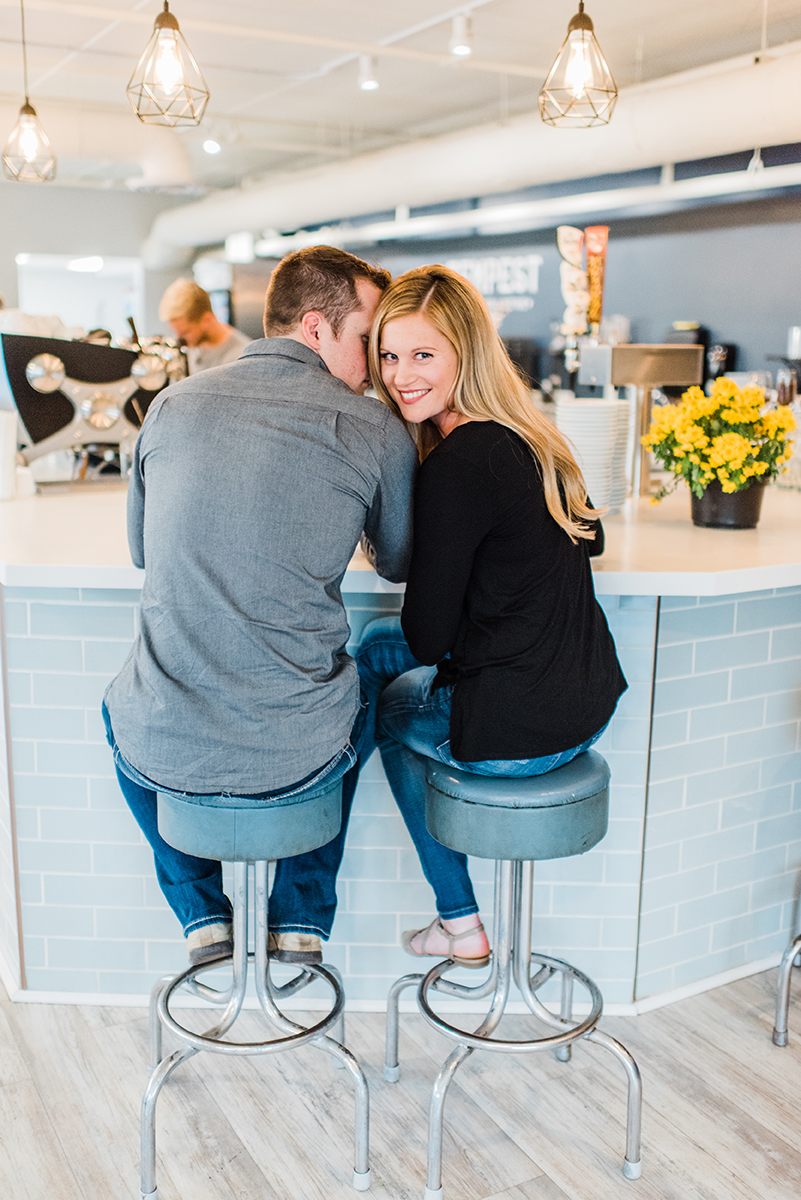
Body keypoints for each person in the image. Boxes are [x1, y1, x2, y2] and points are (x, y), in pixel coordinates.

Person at [103, 246, 418, 967]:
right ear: (316, 327)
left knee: (118, 711)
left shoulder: (171, 404)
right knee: (371, 672)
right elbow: (399, 563)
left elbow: (143, 552)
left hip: (164, 753)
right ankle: (300, 917)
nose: (378, 360)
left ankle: (200, 913)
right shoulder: (374, 428)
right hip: (299, 762)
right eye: (368, 338)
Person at [353, 265, 627, 966]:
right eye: (388, 355)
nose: (399, 376)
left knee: (376, 687)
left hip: (518, 731)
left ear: (464, 353)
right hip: (586, 706)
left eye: (422, 355)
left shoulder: (456, 465)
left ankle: (457, 921)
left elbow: (425, 637)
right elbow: (588, 533)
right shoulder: (530, 436)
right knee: (375, 654)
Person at [159, 278, 251, 372]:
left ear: (207, 319)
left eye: (185, 332)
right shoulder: (194, 347)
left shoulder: (242, 357)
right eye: (177, 333)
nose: (179, 339)